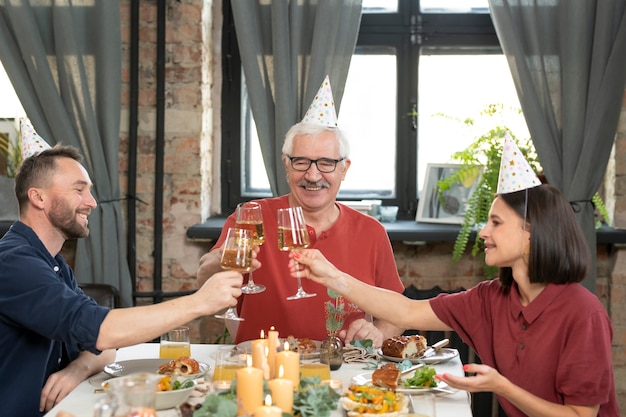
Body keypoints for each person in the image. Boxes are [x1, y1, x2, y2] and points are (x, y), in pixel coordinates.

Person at [288, 136, 619, 417]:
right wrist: (331, 276)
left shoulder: (582, 313)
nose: (484, 232)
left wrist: (501, 387)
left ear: (532, 235)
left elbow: (580, 415)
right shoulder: (490, 298)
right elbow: (405, 311)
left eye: (497, 223)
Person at [0, 140, 243, 417]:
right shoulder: (14, 263)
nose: (91, 202)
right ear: (38, 197)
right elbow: (104, 332)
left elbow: (105, 346)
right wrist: (199, 302)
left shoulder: (53, 263)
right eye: (79, 190)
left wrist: (76, 369)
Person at [197, 76, 404, 345]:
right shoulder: (252, 216)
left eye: (327, 163)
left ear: (345, 168)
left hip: (343, 371)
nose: (313, 175)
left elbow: (398, 314)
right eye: (301, 162)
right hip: (263, 369)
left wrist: (379, 333)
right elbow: (203, 278)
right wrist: (228, 256)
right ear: (286, 165)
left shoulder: (371, 231)